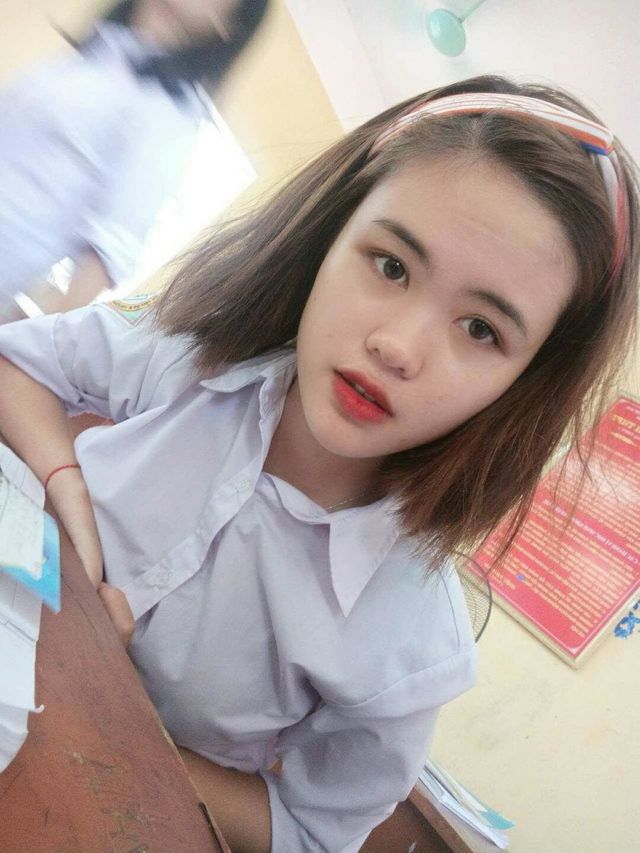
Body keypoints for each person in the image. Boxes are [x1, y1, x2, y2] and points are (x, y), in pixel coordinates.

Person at [0, 74, 637, 852]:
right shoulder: (188, 353)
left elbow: (311, 832)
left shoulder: (411, 645)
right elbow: (17, 363)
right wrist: (67, 494)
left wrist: (126, 724)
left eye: (481, 329)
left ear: (524, 383)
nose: (397, 347)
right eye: (391, 266)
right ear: (333, 233)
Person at [0, 0, 269, 318]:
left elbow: (114, 244)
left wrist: (32, 340)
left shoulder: (169, 110)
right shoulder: (100, 55)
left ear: (226, 26)